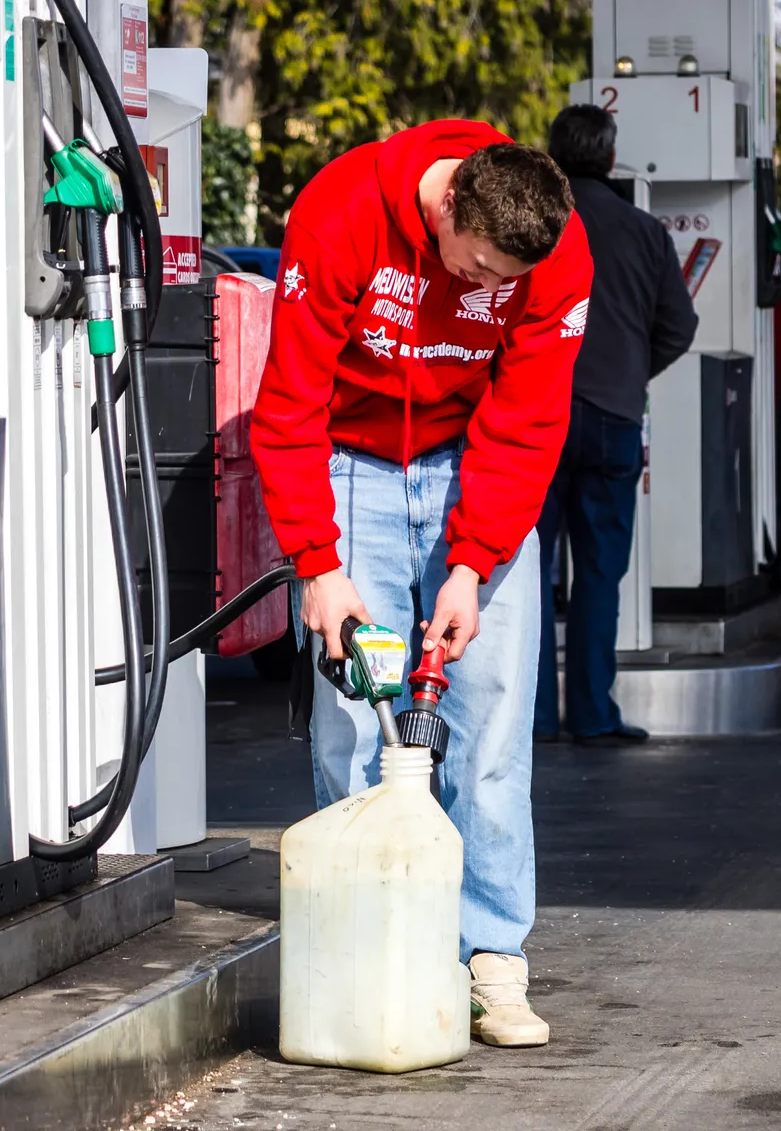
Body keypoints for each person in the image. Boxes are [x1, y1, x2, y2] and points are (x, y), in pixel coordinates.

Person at [251, 120, 592, 1048]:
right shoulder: (342, 210)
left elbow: (529, 418)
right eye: (477, 268)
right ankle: (367, 943)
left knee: (487, 718)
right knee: (359, 717)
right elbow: (287, 405)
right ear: (444, 209)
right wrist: (317, 565)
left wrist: (475, 560)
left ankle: (490, 958)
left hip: (473, 467)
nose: (490, 291)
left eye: (506, 282)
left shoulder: (550, 254)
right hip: (350, 464)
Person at [534, 105, 699, 745]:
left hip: (538, 417)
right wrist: (632, 373)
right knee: (600, 572)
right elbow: (679, 328)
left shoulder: (537, 224)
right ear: (609, 157)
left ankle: (535, 719)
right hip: (613, 420)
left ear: (552, 156)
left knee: (527, 572)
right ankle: (595, 716)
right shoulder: (645, 231)